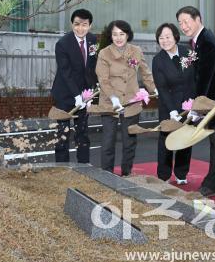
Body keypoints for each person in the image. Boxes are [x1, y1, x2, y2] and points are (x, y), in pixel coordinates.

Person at [176, 6, 215, 197]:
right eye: (180, 23)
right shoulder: (200, 41)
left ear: (198, 19)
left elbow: (205, 78)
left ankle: (212, 184)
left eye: (187, 21)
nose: (183, 26)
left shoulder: (206, 42)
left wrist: (198, 106)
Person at [96, 20, 156, 176]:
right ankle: (106, 175)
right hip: (110, 103)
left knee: (129, 141)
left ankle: (126, 173)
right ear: (110, 36)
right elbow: (103, 79)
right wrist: (113, 98)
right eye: (115, 34)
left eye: (122, 34)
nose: (118, 38)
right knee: (108, 141)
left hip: (131, 101)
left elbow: (145, 72)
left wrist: (154, 88)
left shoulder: (136, 51)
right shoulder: (104, 53)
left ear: (128, 34)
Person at [50, 9, 98, 163]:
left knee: (82, 133)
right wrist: (77, 96)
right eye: (77, 24)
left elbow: (92, 67)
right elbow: (65, 72)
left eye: (84, 25)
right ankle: (62, 168)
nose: (80, 28)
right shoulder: (62, 44)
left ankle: (84, 166)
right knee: (63, 134)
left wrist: (89, 93)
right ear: (72, 24)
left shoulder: (92, 40)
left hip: (84, 94)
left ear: (90, 25)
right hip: (65, 95)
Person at [152, 23, 195, 184]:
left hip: (188, 104)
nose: (165, 41)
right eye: (161, 38)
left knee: (185, 139)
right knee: (166, 141)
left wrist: (195, 103)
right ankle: (163, 175)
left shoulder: (188, 52)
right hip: (168, 105)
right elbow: (161, 88)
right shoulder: (158, 60)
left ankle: (181, 173)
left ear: (176, 37)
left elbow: (195, 78)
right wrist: (171, 110)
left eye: (168, 37)